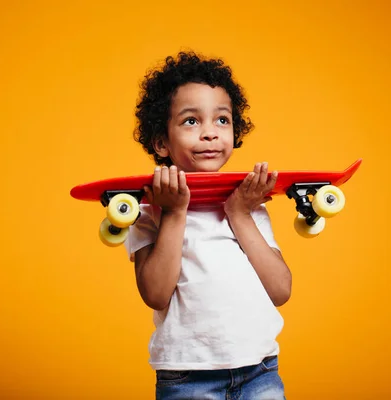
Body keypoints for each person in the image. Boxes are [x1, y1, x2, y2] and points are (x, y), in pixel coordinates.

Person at [124, 51, 292, 400]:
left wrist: (241, 214)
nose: (210, 134)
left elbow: (281, 291)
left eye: (222, 120)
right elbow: (155, 294)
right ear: (161, 142)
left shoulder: (249, 202)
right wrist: (173, 213)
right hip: (188, 378)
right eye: (190, 121)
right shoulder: (147, 212)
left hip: (260, 369)